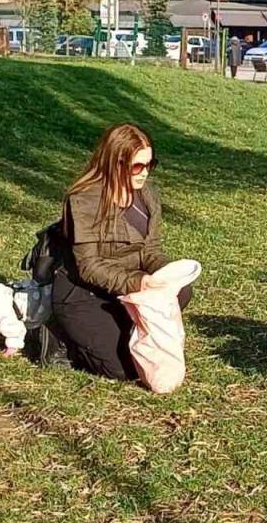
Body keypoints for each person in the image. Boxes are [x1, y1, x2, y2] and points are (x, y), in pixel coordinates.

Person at [48, 124, 192, 381]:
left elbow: (150, 250)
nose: (144, 173)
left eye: (150, 164)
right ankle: (57, 336)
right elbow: (89, 267)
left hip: (125, 288)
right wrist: (138, 282)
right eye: (137, 166)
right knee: (124, 370)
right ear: (116, 163)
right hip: (82, 291)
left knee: (182, 290)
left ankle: (125, 326)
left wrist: (166, 271)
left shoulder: (147, 197)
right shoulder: (83, 199)